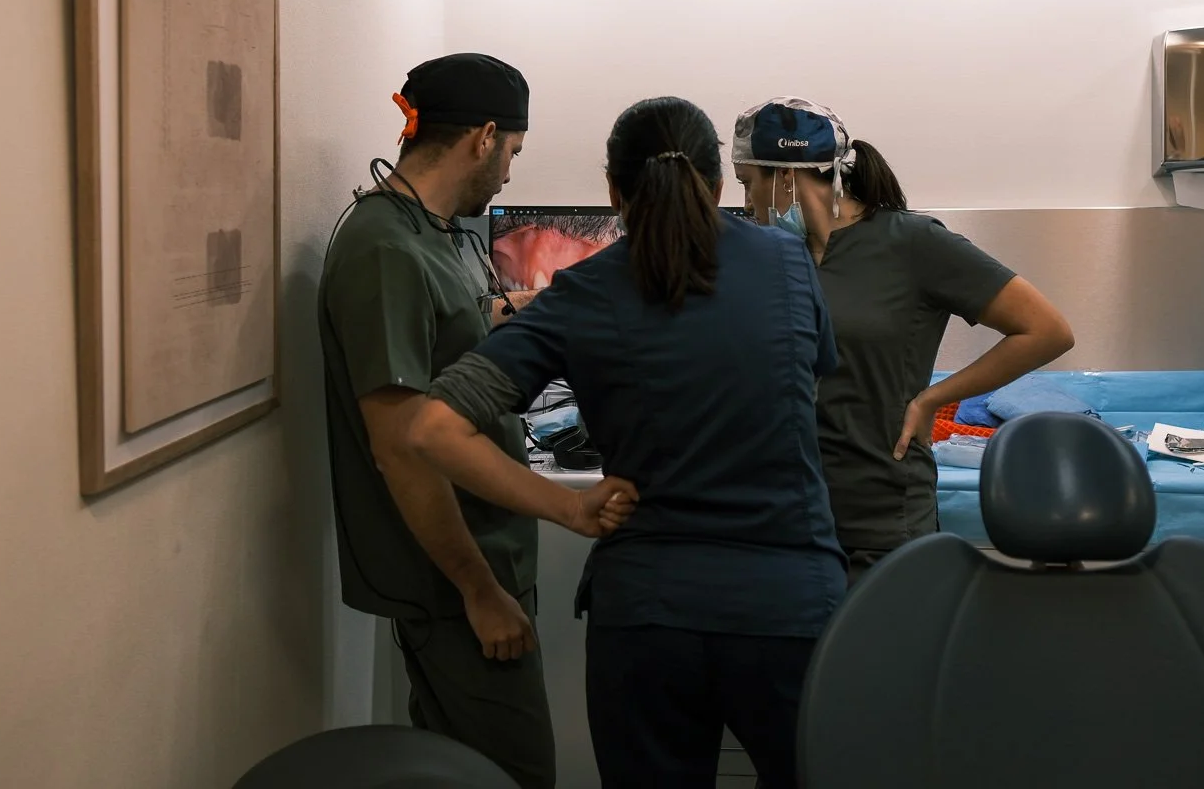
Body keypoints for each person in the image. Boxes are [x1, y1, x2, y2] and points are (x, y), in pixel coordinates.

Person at [402, 96, 848, 789]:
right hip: (787, 608)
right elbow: (799, 390)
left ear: (614, 191)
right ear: (720, 185)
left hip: (647, 617)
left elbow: (432, 427)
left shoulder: (582, 292)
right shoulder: (789, 263)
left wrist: (566, 507)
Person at [319, 53, 628, 789]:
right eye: (514, 153)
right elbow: (401, 447)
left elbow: (454, 324)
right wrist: (479, 589)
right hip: (455, 579)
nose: (511, 176)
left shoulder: (433, 230)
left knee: (456, 767)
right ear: (485, 136)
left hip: (486, 558)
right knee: (516, 773)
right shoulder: (384, 250)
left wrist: (531, 312)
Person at [731, 97, 1076, 583]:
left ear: (786, 175)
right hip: (783, 517)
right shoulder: (771, 257)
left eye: (749, 184)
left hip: (879, 516)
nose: (746, 203)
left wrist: (934, 396)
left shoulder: (910, 243)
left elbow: (1046, 331)